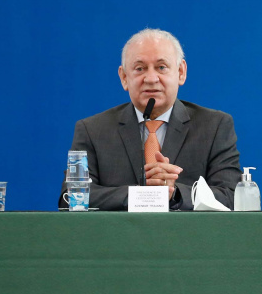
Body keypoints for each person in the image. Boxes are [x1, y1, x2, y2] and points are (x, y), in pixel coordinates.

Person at [60, 28, 241, 210]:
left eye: (161, 67)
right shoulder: (93, 130)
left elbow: (232, 196)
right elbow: (70, 197)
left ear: (181, 72)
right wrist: (143, 196)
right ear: (124, 77)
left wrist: (175, 194)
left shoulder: (214, 126)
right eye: (140, 69)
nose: (151, 78)